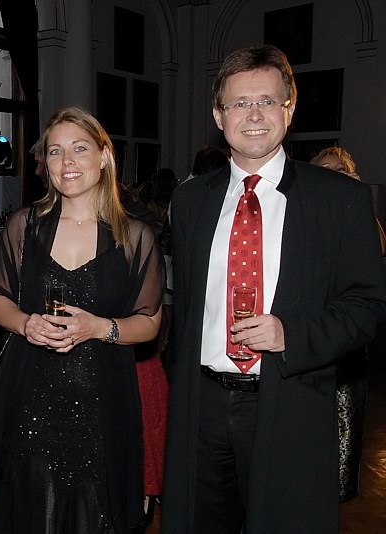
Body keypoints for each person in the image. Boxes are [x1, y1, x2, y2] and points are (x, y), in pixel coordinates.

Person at [162, 45, 386, 534]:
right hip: (201, 405)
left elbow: (368, 305)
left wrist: (292, 334)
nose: (254, 115)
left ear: (290, 107)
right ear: (219, 115)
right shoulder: (191, 200)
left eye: (267, 101)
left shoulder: (341, 200)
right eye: (240, 103)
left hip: (290, 399)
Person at [0, 107, 164, 532]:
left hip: (103, 404)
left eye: (80, 149)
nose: (67, 161)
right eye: (56, 151)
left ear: (103, 156)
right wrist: (24, 323)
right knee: (33, 512)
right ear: (45, 162)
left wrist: (100, 327)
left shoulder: (134, 236)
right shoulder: (24, 226)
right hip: (30, 400)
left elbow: (150, 323)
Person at [310, 146, 384, 502]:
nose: (332, 174)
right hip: (308, 335)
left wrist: (359, 202)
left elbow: (378, 249)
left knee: (345, 428)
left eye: (339, 169)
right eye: (324, 169)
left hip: (348, 342)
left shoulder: (356, 209)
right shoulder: (304, 210)